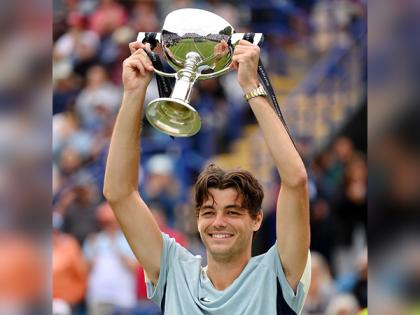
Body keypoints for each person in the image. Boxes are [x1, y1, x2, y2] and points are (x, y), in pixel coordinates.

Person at [104, 39, 311, 314]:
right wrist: (134, 92)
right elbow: (119, 194)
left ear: (257, 219)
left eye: (233, 212)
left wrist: (251, 87)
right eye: (209, 212)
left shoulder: (277, 273)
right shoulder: (174, 272)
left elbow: (295, 181)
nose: (219, 222)